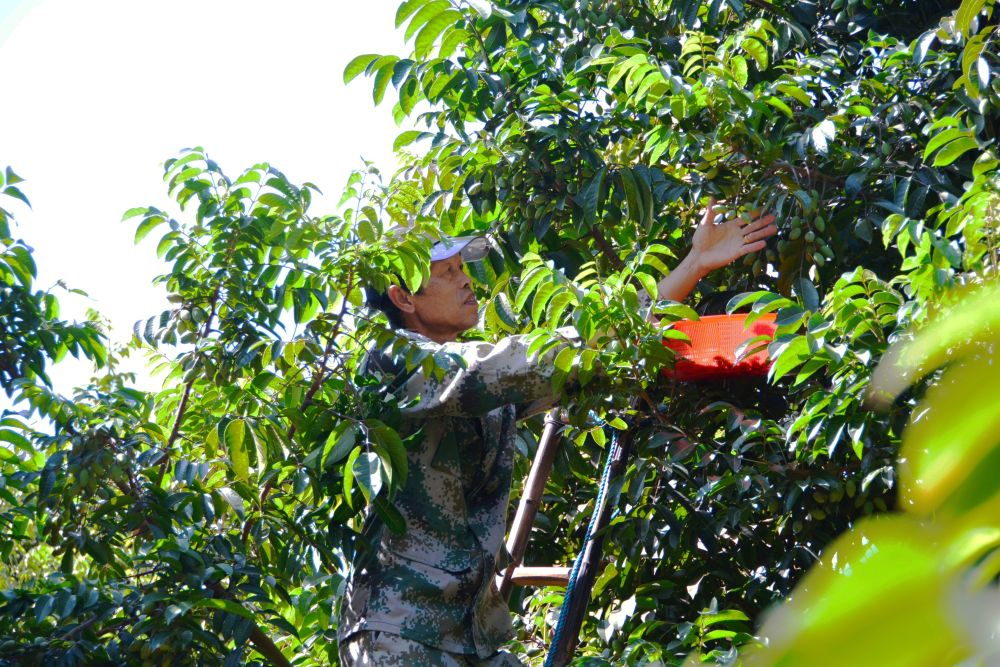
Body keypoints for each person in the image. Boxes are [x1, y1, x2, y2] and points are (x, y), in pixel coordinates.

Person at [337, 202, 777, 666]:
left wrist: (693, 266)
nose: (467, 280)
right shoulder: (392, 359)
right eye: (448, 273)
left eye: (464, 268)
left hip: (470, 636)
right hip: (398, 630)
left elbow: (588, 360)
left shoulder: (481, 381)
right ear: (403, 299)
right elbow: (527, 361)